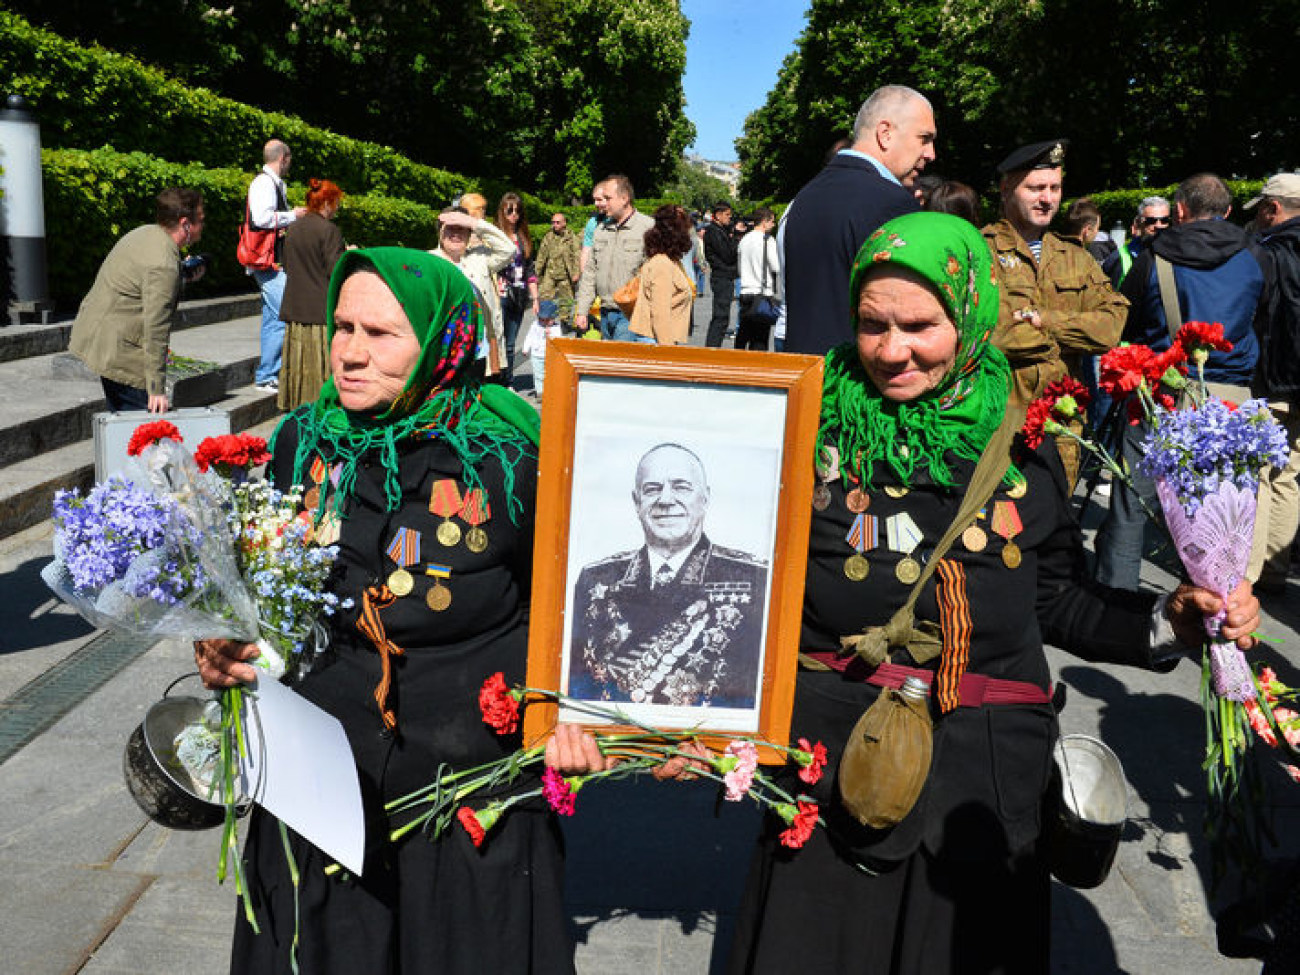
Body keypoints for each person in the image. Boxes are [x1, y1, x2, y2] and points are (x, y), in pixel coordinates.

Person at [724, 212, 1261, 975]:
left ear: (969, 312)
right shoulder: (806, 426)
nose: (890, 350)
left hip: (980, 783)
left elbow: (1056, 600)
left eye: (918, 325)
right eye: (872, 325)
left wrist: (1171, 619)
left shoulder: (1025, 438)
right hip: (836, 766)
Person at [194, 249, 577, 974]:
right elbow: (254, 595)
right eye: (343, 327)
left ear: (440, 341)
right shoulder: (298, 444)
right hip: (319, 785)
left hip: (463, 786)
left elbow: (575, 608)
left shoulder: (512, 456)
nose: (351, 353)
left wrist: (572, 712)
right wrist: (223, 640)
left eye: (381, 333)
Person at [1095, 173, 1269, 591]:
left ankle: (1117, 600)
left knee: (1131, 503)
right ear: (1228, 212)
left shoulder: (1155, 255)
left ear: (1179, 211)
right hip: (1229, 399)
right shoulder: (1256, 256)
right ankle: (1214, 605)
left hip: (1162, 393)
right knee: (1218, 511)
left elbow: (1129, 322)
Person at [568, 443, 768, 709]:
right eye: (652, 489)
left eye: (681, 486)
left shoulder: (753, 579)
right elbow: (578, 686)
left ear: (705, 498)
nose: (665, 499)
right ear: (636, 502)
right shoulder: (596, 579)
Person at [983, 140, 1127, 488]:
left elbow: (1111, 327)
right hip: (999, 421)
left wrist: (1045, 321)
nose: (1047, 198)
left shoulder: (1075, 257)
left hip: (1063, 425)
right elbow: (991, 335)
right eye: (1035, 188)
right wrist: (1070, 340)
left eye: (1054, 188)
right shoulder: (980, 250)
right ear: (1006, 189)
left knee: (1054, 533)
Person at [780, 85, 933, 355]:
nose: (931, 153)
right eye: (924, 138)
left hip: (807, 378)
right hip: (860, 384)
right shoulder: (892, 203)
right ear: (885, 134)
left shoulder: (806, 196)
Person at [69, 187, 205, 413]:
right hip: (121, 352)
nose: (204, 225)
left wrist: (181, 274)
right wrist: (156, 388)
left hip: (99, 336)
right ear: (185, 224)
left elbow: (139, 279)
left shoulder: (145, 233)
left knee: (120, 420)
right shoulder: (163, 264)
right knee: (143, 435)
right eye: (200, 220)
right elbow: (156, 329)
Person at [1246, 173, 1300, 593]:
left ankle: (1254, 572)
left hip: (1274, 378)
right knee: (1289, 474)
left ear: (1274, 209)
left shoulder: (1267, 254)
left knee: (1262, 473)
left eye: (1262, 209)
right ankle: (1277, 568)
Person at [277, 178, 346, 411]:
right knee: (319, 367)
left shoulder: (293, 228)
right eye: (336, 203)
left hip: (295, 308)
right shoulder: (329, 231)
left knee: (298, 364)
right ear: (327, 203)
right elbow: (335, 271)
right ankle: (321, 408)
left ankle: (295, 405)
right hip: (320, 310)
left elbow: (287, 264)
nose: (337, 208)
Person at [246, 139, 308, 392]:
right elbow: (261, 218)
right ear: (283, 157)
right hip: (266, 261)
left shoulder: (272, 182)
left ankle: (268, 374)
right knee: (284, 314)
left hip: (269, 261)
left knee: (273, 319)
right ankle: (268, 374)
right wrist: (294, 215)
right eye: (290, 158)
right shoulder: (264, 182)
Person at [430, 207, 516, 377]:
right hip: (443, 353)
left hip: (478, 352)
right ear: (440, 232)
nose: (455, 234)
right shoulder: (429, 261)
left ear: (469, 234)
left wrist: (473, 222)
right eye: (450, 228)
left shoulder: (480, 258)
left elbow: (508, 249)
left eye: (461, 228)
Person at [573, 174, 654, 343]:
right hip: (605, 312)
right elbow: (590, 273)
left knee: (621, 366)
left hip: (631, 314)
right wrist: (582, 310)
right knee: (608, 366)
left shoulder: (648, 228)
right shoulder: (601, 229)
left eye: (608, 198)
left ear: (624, 199)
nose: (604, 203)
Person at [628, 204, 696, 346]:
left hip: (656, 337)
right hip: (657, 339)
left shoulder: (669, 261)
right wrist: (667, 349)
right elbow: (660, 312)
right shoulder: (662, 265)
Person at [495, 192, 539, 380]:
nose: (514, 215)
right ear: (502, 212)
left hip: (519, 294)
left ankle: (508, 380)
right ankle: (495, 379)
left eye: (518, 211)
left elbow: (529, 270)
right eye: (510, 211)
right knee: (498, 339)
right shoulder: (495, 235)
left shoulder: (523, 237)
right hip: (501, 293)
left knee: (511, 341)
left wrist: (536, 298)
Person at [736, 207, 780, 351]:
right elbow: (776, 266)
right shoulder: (768, 240)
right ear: (764, 222)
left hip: (745, 292)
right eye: (772, 221)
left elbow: (740, 266)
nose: (773, 225)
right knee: (760, 339)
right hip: (761, 294)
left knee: (743, 336)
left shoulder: (745, 239)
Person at [1101, 195, 1171, 287]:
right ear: (1138, 223)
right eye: (1151, 221)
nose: (1158, 225)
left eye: (1164, 220)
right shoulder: (1119, 258)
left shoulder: (1179, 253)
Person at [703, 202, 739, 347]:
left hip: (726, 276)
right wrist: (734, 238)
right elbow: (727, 254)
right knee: (720, 316)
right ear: (718, 215)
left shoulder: (720, 230)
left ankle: (714, 346)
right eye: (727, 215)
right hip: (721, 277)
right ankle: (712, 347)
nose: (729, 218)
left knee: (723, 316)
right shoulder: (714, 231)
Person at [535, 212, 581, 325]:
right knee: (545, 296)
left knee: (566, 300)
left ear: (564, 223)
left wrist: (576, 273)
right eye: (553, 222)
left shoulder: (571, 237)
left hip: (565, 275)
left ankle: (564, 322)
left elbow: (577, 255)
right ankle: (546, 319)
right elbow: (541, 255)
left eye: (557, 222)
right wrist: (536, 272)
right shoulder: (548, 237)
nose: (554, 225)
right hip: (550, 273)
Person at [524, 298, 562, 401]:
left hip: (550, 355)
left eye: (547, 320)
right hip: (537, 354)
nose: (544, 322)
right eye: (542, 319)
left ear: (553, 318)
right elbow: (530, 336)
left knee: (550, 374)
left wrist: (551, 335)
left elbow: (559, 341)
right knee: (538, 374)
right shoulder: (535, 325)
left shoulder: (556, 328)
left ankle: (551, 391)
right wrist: (526, 348)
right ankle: (540, 392)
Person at [579, 184, 609, 276]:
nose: (596, 204)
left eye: (599, 200)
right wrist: (584, 275)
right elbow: (586, 251)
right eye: (595, 200)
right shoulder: (593, 222)